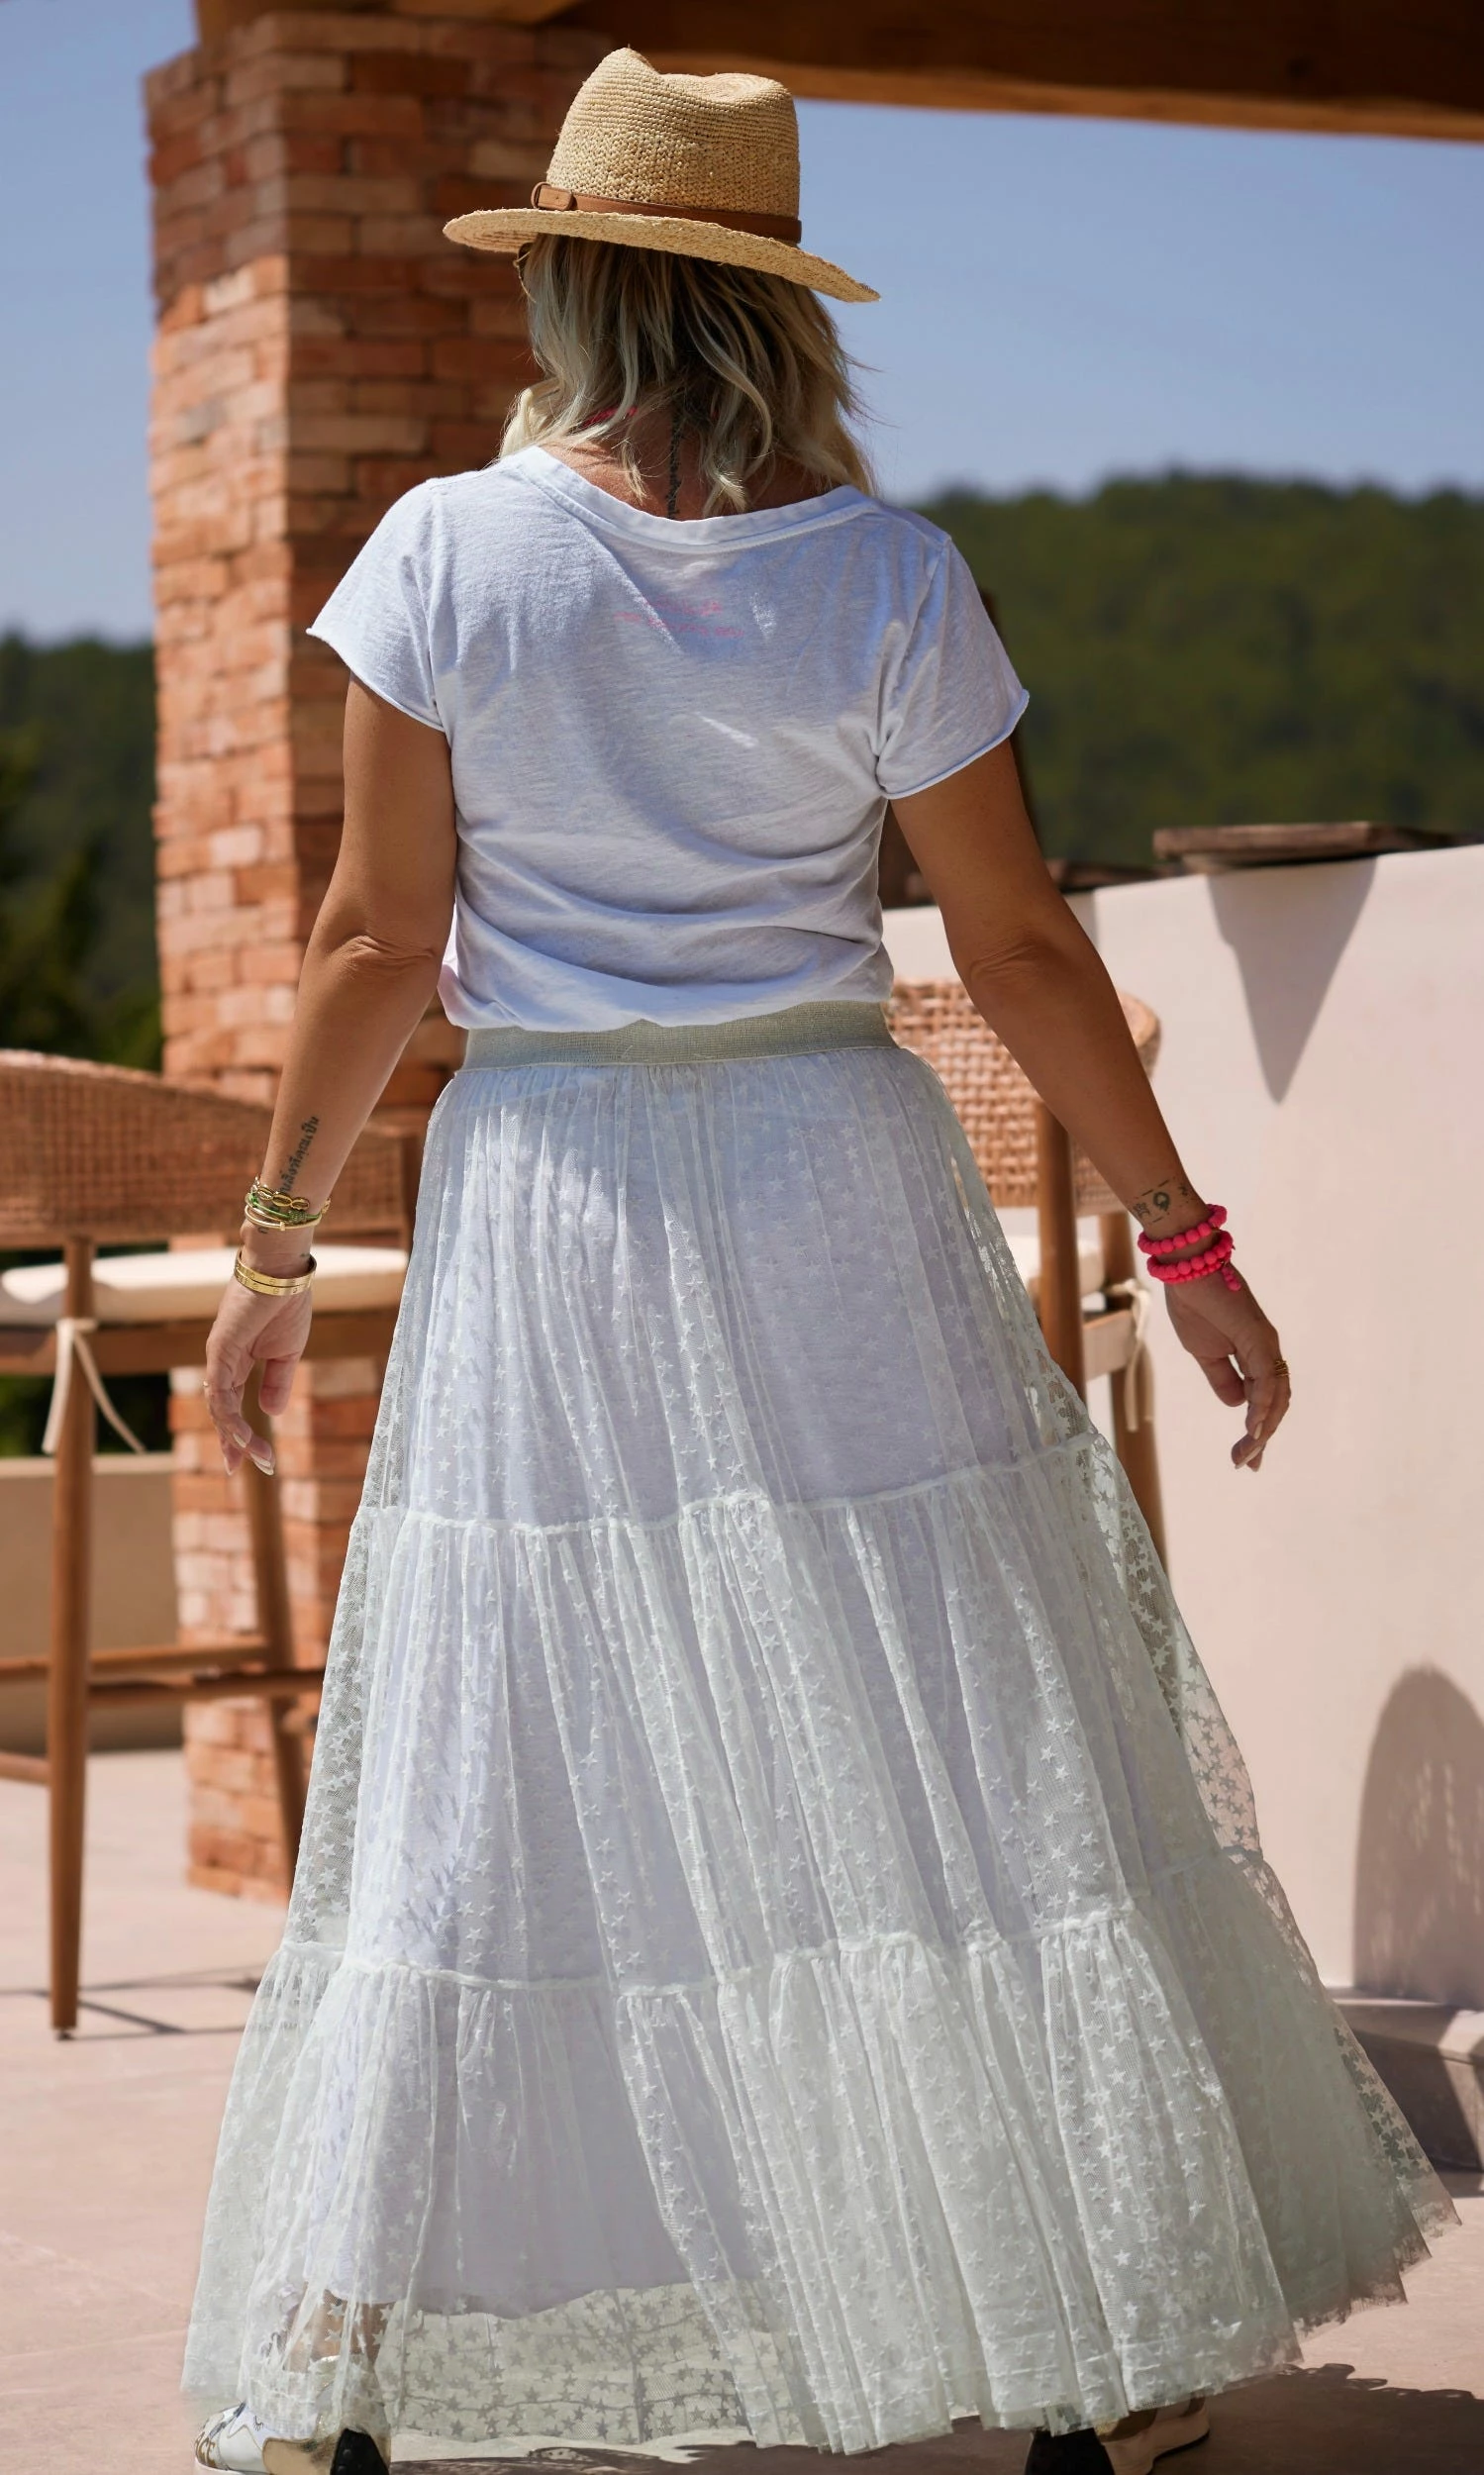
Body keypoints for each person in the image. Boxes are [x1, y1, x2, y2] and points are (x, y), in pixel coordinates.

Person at [186, 50, 1451, 2475]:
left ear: (567, 280)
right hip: (829, 1178)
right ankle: (1085, 2347)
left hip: (550, 1193)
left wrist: (273, 1241)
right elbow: (1025, 951)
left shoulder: (443, 552)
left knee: (494, 1751)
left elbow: (369, 939)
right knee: (952, 1735)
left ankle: (351, 2355)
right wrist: (1184, 1238)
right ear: (774, 303)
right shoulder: (885, 575)